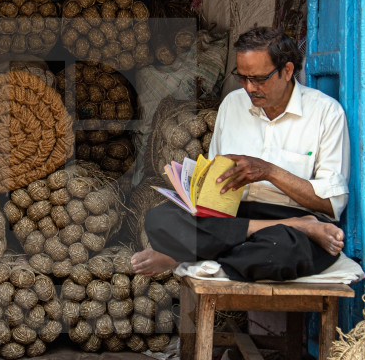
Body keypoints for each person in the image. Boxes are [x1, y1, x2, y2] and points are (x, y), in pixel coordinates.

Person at [133, 26, 350, 282]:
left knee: (282, 253)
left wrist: (269, 172)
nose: (249, 87)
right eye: (242, 77)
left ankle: (184, 254)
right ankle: (294, 225)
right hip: (233, 218)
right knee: (160, 219)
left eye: (259, 79)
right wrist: (195, 193)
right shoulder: (232, 104)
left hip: (289, 226)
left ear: (288, 71)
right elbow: (216, 181)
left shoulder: (326, 113)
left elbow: (332, 205)